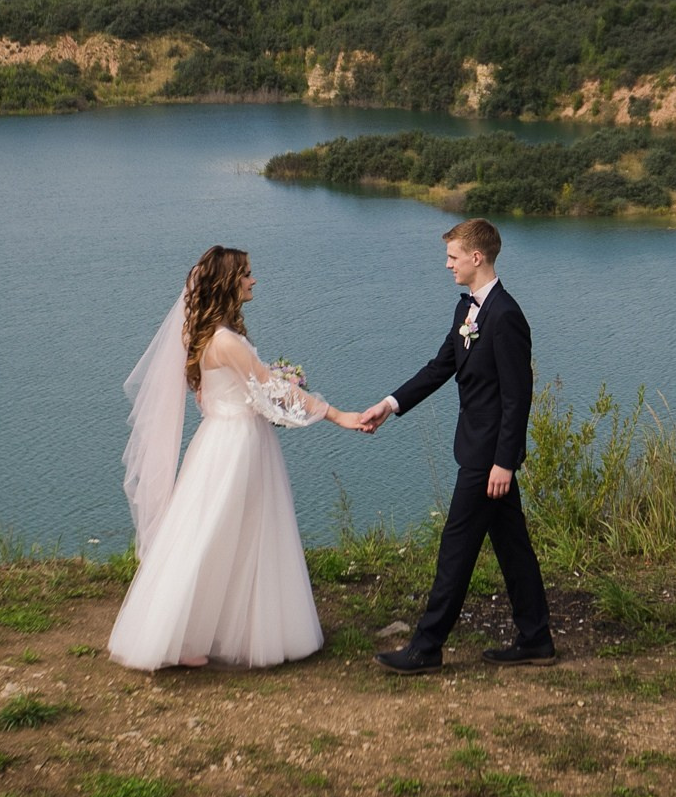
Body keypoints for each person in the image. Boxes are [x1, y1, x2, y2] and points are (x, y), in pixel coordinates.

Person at [108, 245, 366, 670]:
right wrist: (337, 414)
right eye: (246, 273)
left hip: (224, 438)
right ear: (229, 282)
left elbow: (220, 392)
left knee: (231, 531)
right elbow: (273, 389)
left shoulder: (208, 335)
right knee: (215, 532)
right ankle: (177, 635)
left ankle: (216, 628)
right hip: (236, 444)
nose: (253, 280)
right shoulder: (226, 341)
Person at [357, 218, 556, 672]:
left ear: (476, 257)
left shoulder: (505, 316)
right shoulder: (468, 310)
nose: (447, 265)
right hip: (479, 449)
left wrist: (505, 462)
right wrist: (389, 404)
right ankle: (537, 638)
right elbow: (440, 366)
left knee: (456, 547)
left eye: (452, 257)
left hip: (487, 458)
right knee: (512, 547)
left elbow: (517, 396)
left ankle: (426, 648)